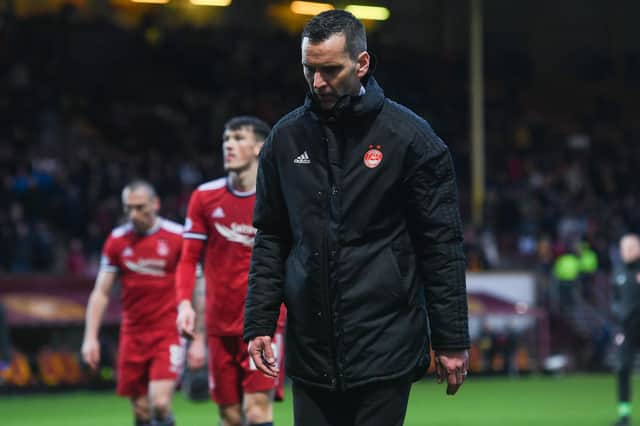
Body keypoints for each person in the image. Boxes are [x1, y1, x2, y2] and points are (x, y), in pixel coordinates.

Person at [243, 10, 470, 426]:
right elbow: (272, 236)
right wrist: (259, 321)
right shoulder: (284, 140)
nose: (317, 82)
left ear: (362, 63)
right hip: (311, 351)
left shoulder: (411, 140)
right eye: (309, 70)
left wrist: (451, 339)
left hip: (385, 345)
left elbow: (441, 246)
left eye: (330, 70)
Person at [176, 116, 286, 426]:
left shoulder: (279, 198)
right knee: (229, 416)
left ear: (259, 147)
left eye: (238, 138)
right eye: (226, 139)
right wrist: (184, 303)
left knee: (256, 410)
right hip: (218, 324)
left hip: (265, 323)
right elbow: (188, 259)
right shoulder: (204, 198)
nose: (229, 145)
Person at [81, 181, 183, 426]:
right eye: (129, 208)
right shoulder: (117, 241)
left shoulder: (177, 237)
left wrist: (198, 333)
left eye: (140, 207)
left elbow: (196, 284)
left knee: (159, 403)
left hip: (167, 332)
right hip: (133, 333)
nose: (134, 214)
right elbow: (101, 292)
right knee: (141, 411)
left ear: (155, 204)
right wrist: (90, 337)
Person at [613, 234, 640, 426]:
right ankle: (624, 416)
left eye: (631, 247)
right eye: (624, 248)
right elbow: (616, 301)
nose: (627, 251)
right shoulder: (619, 272)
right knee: (622, 369)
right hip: (627, 330)